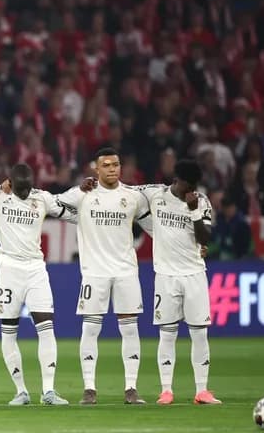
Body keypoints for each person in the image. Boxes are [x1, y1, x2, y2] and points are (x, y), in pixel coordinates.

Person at [0, 163, 76, 406]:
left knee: (47, 326)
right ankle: (21, 391)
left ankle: (48, 391)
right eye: (19, 187)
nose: (23, 192)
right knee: (9, 329)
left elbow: (71, 213)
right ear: (9, 181)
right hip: (8, 268)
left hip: (35, 268)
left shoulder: (42, 198)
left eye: (27, 187)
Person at [57, 147, 151, 405]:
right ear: (96, 170)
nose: (112, 169)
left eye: (116, 164)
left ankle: (131, 388)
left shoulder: (132, 197)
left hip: (125, 271)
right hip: (94, 272)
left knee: (130, 329)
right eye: (106, 165)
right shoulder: (83, 195)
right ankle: (89, 388)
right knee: (90, 328)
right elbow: (55, 204)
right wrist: (78, 188)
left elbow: (151, 226)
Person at [131, 160, 222, 405]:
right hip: (166, 276)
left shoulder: (201, 202)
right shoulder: (156, 194)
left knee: (200, 334)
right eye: (187, 186)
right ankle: (166, 390)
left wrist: (192, 210)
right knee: (167, 334)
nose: (190, 191)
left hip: (194, 274)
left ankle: (202, 391)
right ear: (176, 180)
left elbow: (205, 239)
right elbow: (126, 192)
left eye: (194, 186)